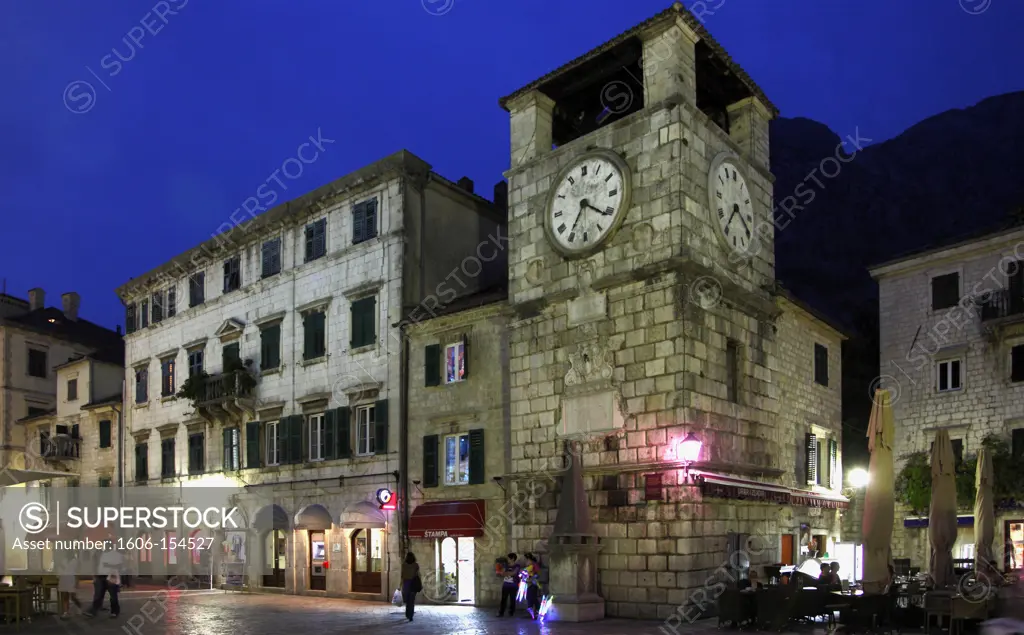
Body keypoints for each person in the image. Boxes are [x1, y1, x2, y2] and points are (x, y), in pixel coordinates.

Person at [86, 544, 123, 618]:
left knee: (113, 595)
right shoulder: (100, 553)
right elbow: (95, 563)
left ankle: (115, 611)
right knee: (98, 594)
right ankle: (93, 611)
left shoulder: (116, 554)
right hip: (100, 576)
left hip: (111, 575)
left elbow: (120, 566)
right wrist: (94, 575)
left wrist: (108, 565)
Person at [58, 551, 82, 619]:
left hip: (72, 578)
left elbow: (78, 572)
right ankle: (66, 612)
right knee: (65, 596)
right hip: (64, 578)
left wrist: (77, 581)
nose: (68, 554)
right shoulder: (64, 560)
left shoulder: (76, 561)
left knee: (73, 596)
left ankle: (79, 606)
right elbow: (60, 569)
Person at [498, 552, 521, 617]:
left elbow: (514, 573)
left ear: (513, 559)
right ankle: (501, 612)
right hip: (505, 584)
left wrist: (506, 573)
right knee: (503, 599)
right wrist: (508, 573)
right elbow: (502, 573)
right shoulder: (506, 565)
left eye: (508, 558)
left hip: (513, 585)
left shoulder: (517, 566)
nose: (507, 560)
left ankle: (511, 612)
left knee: (512, 599)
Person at [400, 553, 420, 622]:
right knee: (412, 601)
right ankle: (410, 615)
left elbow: (402, 575)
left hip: (406, 583)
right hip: (413, 583)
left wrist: (400, 585)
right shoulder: (416, 565)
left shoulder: (404, 565)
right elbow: (418, 574)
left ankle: (407, 613)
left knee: (407, 600)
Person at [523, 553, 542, 619]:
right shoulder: (529, 566)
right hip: (529, 584)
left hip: (533, 584)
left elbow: (538, 573)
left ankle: (536, 611)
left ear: (530, 559)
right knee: (529, 597)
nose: (526, 561)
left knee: (532, 598)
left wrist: (532, 577)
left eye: (527, 560)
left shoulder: (535, 565)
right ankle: (532, 612)